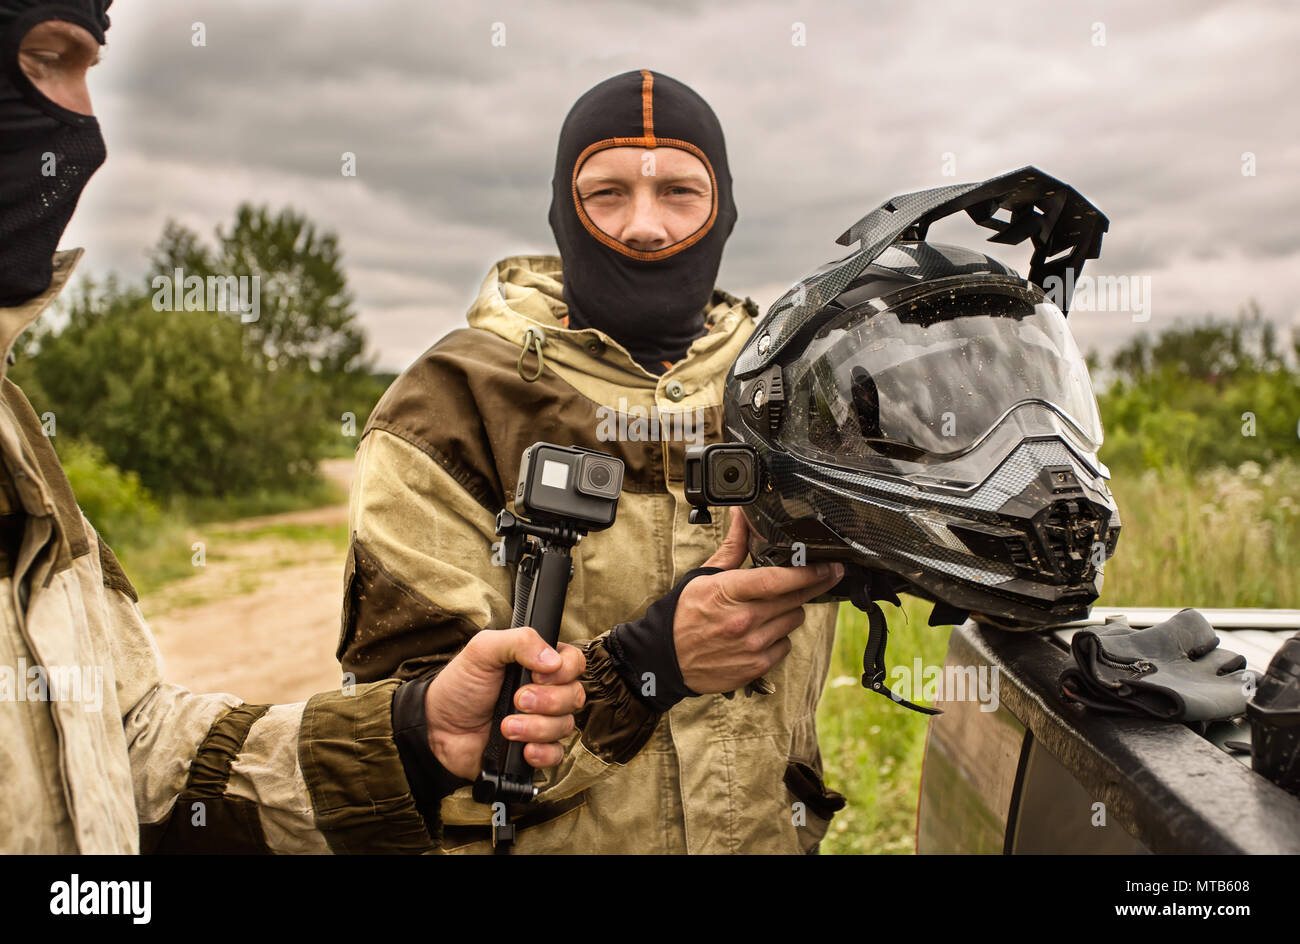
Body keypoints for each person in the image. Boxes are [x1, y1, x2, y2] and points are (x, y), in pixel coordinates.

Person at [0, 0, 586, 854]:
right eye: (44, 60)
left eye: (89, 66)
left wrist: (415, 738)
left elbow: (132, 747)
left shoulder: (15, 435)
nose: (84, 129)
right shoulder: (447, 398)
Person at [341, 69, 846, 854]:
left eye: (680, 191)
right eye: (607, 192)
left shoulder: (798, 393)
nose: (645, 227)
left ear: (726, 211)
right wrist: (651, 666)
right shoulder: (451, 405)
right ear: (560, 211)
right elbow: (409, 741)